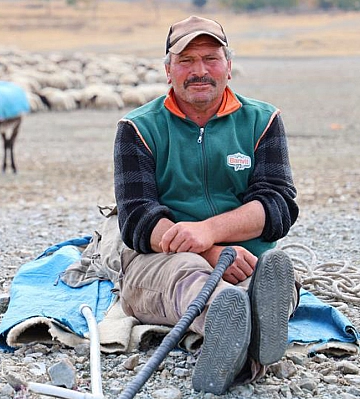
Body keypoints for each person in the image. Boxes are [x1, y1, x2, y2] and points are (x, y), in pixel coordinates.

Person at [113, 15, 300, 395]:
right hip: (164, 257)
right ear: (169, 71)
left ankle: (251, 325)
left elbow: (278, 205)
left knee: (272, 275)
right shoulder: (137, 128)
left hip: (247, 255)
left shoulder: (262, 120)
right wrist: (210, 250)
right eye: (186, 60)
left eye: (210, 58)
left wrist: (209, 231)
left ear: (228, 67)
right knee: (190, 275)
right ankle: (229, 323)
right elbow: (136, 217)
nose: (199, 70)